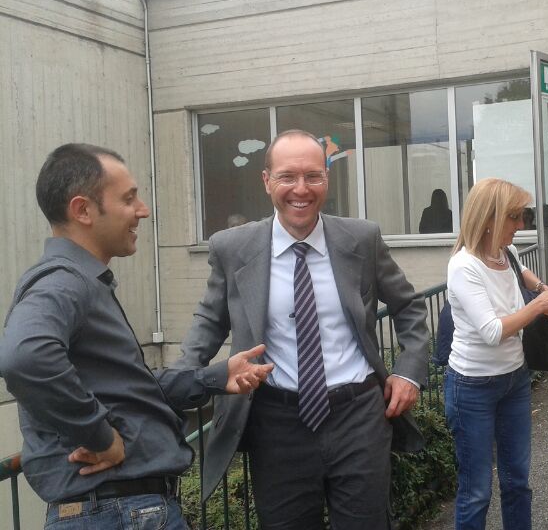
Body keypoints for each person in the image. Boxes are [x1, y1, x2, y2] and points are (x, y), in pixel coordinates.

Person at [0, 143, 271, 529]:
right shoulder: (63, 283)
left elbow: (124, 389)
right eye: (128, 199)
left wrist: (213, 377)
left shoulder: (80, 283)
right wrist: (100, 436)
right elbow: (24, 358)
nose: (142, 210)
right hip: (118, 513)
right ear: (83, 210)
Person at [172, 129, 430, 529]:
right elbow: (209, 322)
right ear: (266, 181)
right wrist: (175, 386)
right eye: (287, 177)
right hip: (277, 424)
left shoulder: (361, 238)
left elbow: (408, 306)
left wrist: (408, 372)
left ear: (327, 178)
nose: (301, 189)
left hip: (358, 416)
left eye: (313, 176)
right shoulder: (233, 248)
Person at [444, 177, 548, 530]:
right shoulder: (464, 266)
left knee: (517, 482)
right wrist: (539, 305)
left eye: (522, 215)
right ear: (488, 218)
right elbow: (493, 331)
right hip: (472, 388)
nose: (521, 224)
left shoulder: (505, 252)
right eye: (514, 216)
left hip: (514, 380)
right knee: (476, 492)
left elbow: (525, 275)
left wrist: (544, 290)